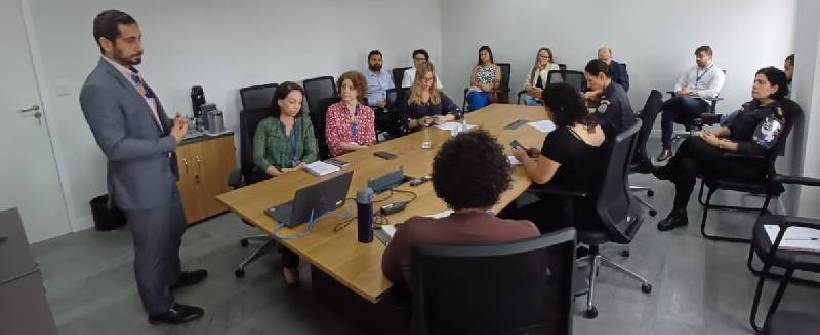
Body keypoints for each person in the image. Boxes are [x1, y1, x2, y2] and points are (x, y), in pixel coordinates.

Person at [80, 10, 206, 325]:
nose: (140, 46)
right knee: (150, 249)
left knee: (174, 230)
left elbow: (147, 119)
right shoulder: (97, 87)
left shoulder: (130, 72)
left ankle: (172, 276)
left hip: (162, 174)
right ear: (106, 43)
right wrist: (170, 142)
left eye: (140, 38)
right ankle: (160, 307)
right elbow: (116, 146)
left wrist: (169, 125)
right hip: (140, 185)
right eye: (131, 40)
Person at [381, 130, 539, 287]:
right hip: (508, 311)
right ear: (500, 183)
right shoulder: (527, 233)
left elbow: (389, 271)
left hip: (438, 312)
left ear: (439, 181)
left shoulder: (412, 233)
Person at [653, 67, 791, 231]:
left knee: (691, 142)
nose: (754, 85)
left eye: (761, 82)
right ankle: (678, 213)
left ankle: (668, 171)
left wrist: (718, 143)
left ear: (774, 88)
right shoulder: (753, 105)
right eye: (754, 80)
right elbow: (733, 128)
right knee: (687, 162)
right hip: (730, 155)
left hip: (746, 165)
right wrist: (715, 136)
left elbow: (756, 149)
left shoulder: (774, 115)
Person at [500, 83, 607, 233]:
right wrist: (544, 155)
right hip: (591, 196)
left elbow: (540, 177)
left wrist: (524, 158)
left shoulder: (560, 137)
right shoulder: (592, 123)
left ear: (557, 109)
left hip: (567, 205)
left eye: (546, 107)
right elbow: (575, 153)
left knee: (506, 208)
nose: (546, 111)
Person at [252, 81, 319, 283]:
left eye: (299, 102)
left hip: (297, 173)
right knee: (292, 209)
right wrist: (279, 174)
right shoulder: (266, 125)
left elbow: (312, 152)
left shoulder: (305, 122)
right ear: (280, 101)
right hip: (270, 176)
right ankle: (289, 263)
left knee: (313, 201)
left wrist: (298, 169)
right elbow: (258, 157)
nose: (296, 106)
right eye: (291, 102)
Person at [656, 45, 726, 162]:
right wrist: (677, 91)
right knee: (667, 113)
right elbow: (679, 82)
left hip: (702, 106)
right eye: (696, 57)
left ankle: (654, 109)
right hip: (683, 103)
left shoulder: (717, 73)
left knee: (684, 99)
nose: (697, 59)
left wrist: (691, 93)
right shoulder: (692, 70)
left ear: (709, 57)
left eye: (700, 56)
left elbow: (713, 92)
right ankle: (667, 150)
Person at [325, 71, 376, 157]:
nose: (345, 91)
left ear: (359, 91)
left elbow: (370, 141)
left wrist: (361, 149)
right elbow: (333, 143)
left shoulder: (368, 112)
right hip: (342, 158)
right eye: (343, 87)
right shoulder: (332, 110)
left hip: (364, 156)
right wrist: (359, 148)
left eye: (351, 88)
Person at [583, 59, 636, 138]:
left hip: (612, 142)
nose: (588, 86)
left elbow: (592, 126)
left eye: (590, 80)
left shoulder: (611, 99)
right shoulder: (616, 86)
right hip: (622, 139)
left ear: (602, 76)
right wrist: (597, 94)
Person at [405, 62, 461, 131]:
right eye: (424, 78)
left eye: (430, 79)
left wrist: (444, 118)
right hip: (417, 136)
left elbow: (457, 111)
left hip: (436, 133)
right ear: (418, 78)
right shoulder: (408, 96)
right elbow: (402, 123)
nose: (427, 82)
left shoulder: (437, 94)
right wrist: (418, 122)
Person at [465, 45, 502, 111]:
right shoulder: (476, 67)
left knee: (478, 103)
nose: (483, 56)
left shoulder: (496, 68)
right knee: (477, 98)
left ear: (490, 54)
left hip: (489, 93)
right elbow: (471, 82)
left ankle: (472, 109)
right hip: (474, 92)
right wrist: (481, 86)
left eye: (485, 54)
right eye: (481, 55)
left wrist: (488, 88)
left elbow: (496, 84)